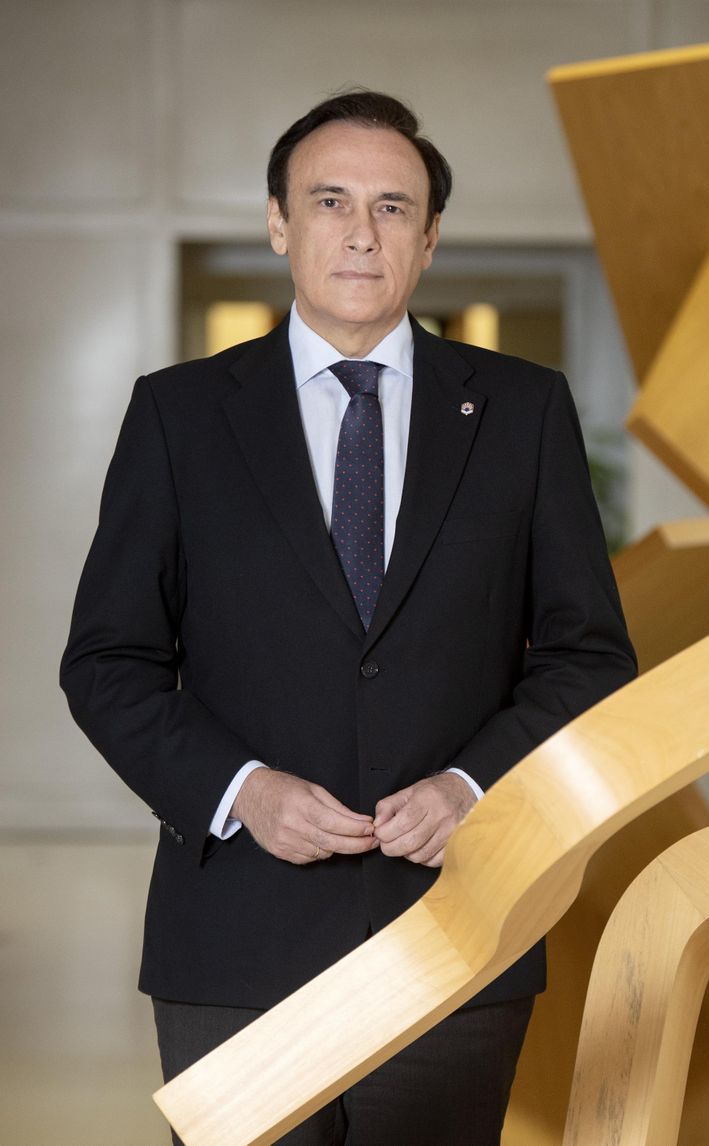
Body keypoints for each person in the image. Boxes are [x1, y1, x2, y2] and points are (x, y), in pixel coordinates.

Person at [60, 89, 635, 1144]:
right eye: (329, 202)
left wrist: (475, 786)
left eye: (392, 207)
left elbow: (587, 655)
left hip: (458, 926)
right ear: (280, 223)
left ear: (429, 240)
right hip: (231, 932)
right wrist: (242, 789)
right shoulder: (179, 415)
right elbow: (108, 661)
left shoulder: (522, 412)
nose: (360, 233)